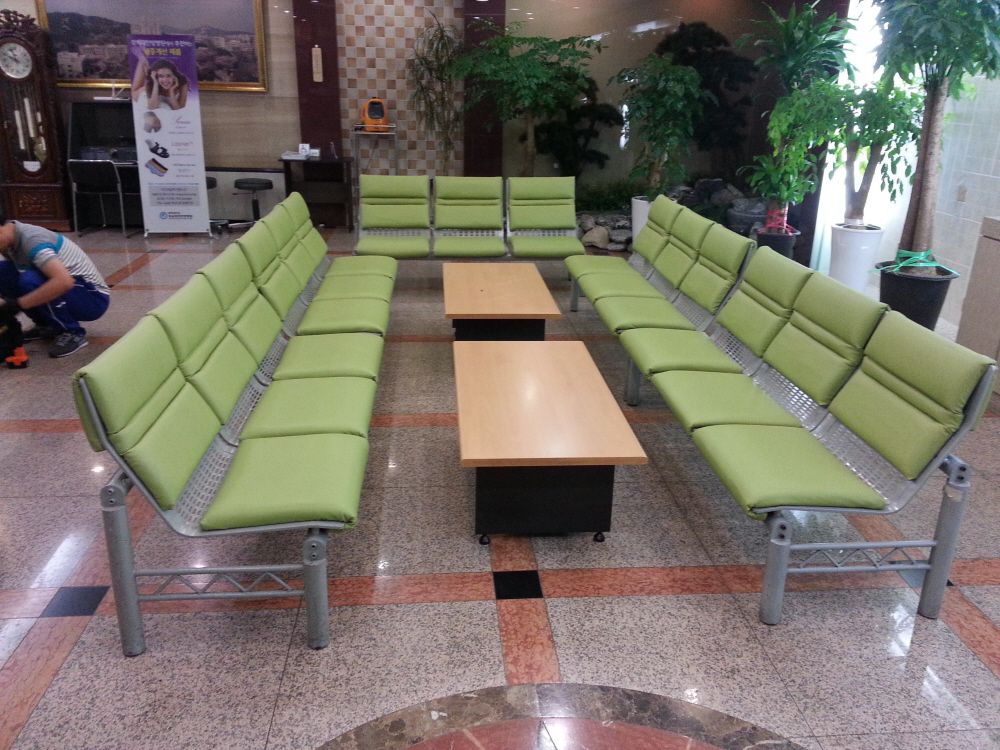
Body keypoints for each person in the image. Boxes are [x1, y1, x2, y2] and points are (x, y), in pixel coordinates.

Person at [0, 219, 110, 358]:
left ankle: (72, 332)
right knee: (4, 272)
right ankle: (47, 325)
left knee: (30, 280)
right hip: (72, 289)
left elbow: (64, 281)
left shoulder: (33, 241)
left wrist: (18, 305)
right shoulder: (9, 240)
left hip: (93, 297)